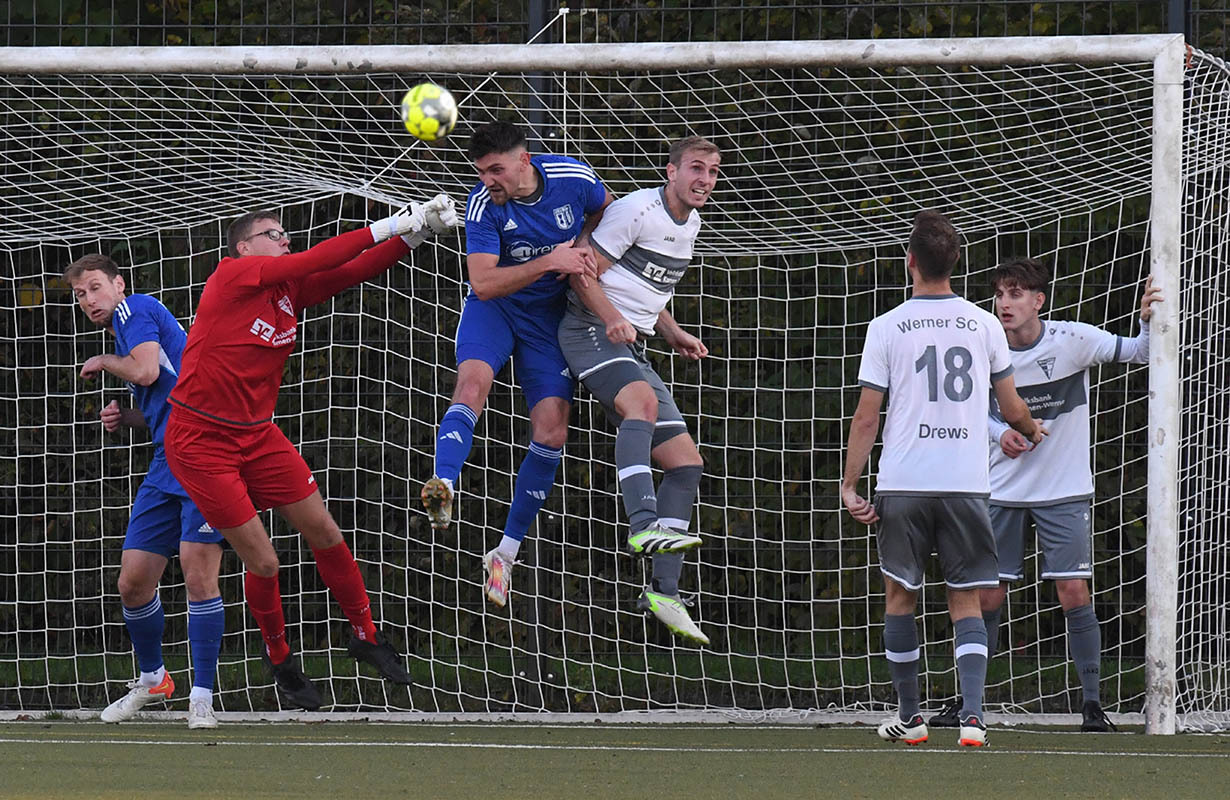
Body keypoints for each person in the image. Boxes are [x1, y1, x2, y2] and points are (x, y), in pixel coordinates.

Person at [163, 196, 458, 710]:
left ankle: (365, 633)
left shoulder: (285, 289)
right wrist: (388, 223)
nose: (284, 239)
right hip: (200, 441)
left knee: (325, 530)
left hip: (256, 435)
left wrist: (416, 235)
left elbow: (351, 269)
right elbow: (313, 258)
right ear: (244, 247)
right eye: (272, 234)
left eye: (284, 233)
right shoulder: (233, 275)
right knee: (266, 562)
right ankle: (279, 659)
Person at [927, 258, 1161, 733]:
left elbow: (1140, 352)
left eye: (1015, 294)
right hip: (1003, 491)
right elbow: (971, 408)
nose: (1004, 303)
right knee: (987, 597)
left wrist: (1146, 318)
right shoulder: (985, 347)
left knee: (1073, 590)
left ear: (1039, 301)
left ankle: (1093, 706)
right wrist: (999, 435)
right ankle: (967, 702)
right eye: (999, 294)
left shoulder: (1073, 340)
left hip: (1064, 491)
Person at [841, 211, 1045, 748]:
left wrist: (849, 484)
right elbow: (1010, 405)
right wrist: (1030, 428)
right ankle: (974, 718)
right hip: (964, 482)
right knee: (967, 599)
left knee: (899, 596)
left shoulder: (886, 325)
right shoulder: (983, 324)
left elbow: (867, 416)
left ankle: (912, 719)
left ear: (910, 260)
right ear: (956, 262)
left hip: (904, 482)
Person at [420, 121, 612, 608]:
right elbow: (483, 284)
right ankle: (443, 481)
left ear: (525, 160)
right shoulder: (482, 204)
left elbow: (605, 213)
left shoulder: (574, 177)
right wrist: (552, 260)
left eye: (497, 170)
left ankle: (504, 554)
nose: (489, 180)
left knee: (552, 431)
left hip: (549, 319)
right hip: (498, 310)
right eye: (482, 172)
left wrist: (586, 248)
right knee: (471, 385)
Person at [556, 136, 721, 645]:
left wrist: (672, 332)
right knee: (642, 405)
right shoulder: (635, 210)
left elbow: (650, 289)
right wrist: (612, 320)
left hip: (632, 343)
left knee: (686, 464)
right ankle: (644, 522)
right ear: (669, 171)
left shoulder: (691, 224)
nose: (705, 180)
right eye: (696, 168)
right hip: (587, 329)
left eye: (713, 172)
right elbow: (582, 274)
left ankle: (663, 591)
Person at [66, 254, 226, 730]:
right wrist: (129, 417)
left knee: (199, 577)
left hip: (203, 455)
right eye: (79, 295)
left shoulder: (132, 309)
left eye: (94, 287)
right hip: (166, 459)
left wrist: (103, 361)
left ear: (118, 285)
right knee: (132, 582)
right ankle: (154, 677)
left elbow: (146, 373)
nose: (88, 299)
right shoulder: (130, 326)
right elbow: (165, 391)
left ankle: (202, 698)